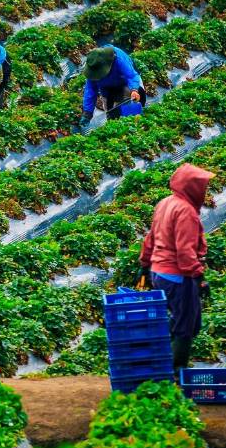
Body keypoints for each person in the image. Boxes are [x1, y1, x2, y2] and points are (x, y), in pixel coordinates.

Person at [138, 164, 213, 371]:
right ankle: (175, 369)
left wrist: (145, 264)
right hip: (177, 275)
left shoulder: (165, 203)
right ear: (192, 187)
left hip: (158, 272)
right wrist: (199, 278)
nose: (204, 192)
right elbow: (185, 251)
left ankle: (159, 357)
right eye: (202, 187)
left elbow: (151, 237)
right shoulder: (186, 211)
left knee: (187, 320)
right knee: (185, 325)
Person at [80, 45, 145, 123]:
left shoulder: (118, 59)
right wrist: (87, 113)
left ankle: (138, 123)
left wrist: (134, 90)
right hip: (106, 90)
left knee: (131, 109)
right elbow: (90, 90)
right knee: (112, 116)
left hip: (125, 83)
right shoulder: (93, 69)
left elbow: (131, 76)